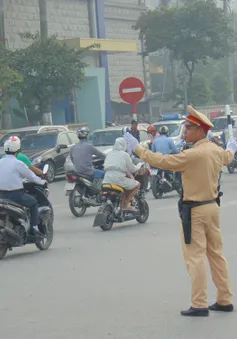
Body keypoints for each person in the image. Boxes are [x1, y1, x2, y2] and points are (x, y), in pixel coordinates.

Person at [124, 105, 235, 317]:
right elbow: (228, 156)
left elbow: (163, 161)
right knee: (217, 256)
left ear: (201, 130)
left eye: (189, 128)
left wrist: (138, 149)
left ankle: (200, 303)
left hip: (195, 210)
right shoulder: (215, 150)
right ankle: (224, 299)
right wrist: (231, 147)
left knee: (195, 258)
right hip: (212, 207)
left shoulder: (193, 154)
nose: (185, 132)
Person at [0, 136, 46, 234]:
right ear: (18, 149)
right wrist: (42, 182)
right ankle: (34, 228)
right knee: (33, 203)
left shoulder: (1, 162)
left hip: (1, 196)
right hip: (15, 195)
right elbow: (32, 177)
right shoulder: (18, 163)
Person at [103, 138, 141, 210]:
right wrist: (138, 167)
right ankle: (126, 204)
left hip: (106, 178)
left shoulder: (109, 154)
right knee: (137, 185)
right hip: (118, 178)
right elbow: (132, 168)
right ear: (124, 145)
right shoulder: (124, 154)